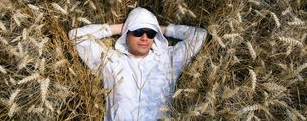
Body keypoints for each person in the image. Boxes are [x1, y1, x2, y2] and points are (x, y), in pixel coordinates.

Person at [68, 7, 207, 121]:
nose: (144, 37)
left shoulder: (168, 60)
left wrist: (160, 29)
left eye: (150, 33)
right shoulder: (111, 61)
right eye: (138, 31)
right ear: (126, 35)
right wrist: (121, 28)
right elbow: (76, 36)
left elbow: (200, 35)